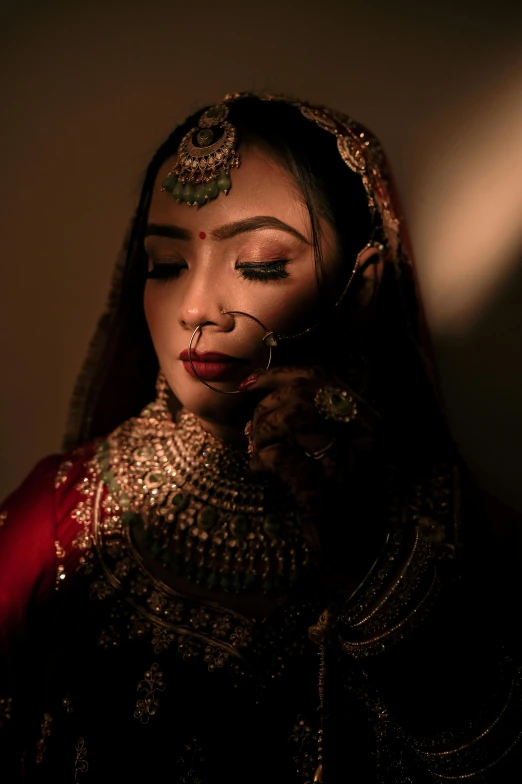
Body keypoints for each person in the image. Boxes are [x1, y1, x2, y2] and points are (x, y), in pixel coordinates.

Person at [1, 92, 521, 783]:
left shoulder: (452, 525)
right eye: (164, 265)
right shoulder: (62, 518)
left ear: (361, 287)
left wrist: (368, 557)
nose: (194, 309)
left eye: (261, 264)